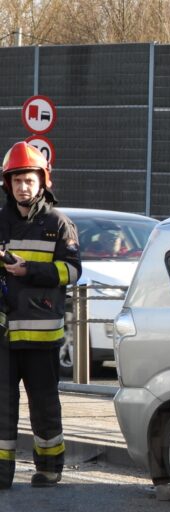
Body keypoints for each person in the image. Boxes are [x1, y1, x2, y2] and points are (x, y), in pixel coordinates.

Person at [0, 141, 81, 489]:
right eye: (17, 180)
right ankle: (1, 472)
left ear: (42, 182)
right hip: (4, 334)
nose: (23, 187)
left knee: (44, 405)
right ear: (8, 184)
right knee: (2, 406)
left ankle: (48, 467)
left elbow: (72, 271)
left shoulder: (58, 223)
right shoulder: (0, 221)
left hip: (41, 334)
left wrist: (29, 270)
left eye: (29, 180)